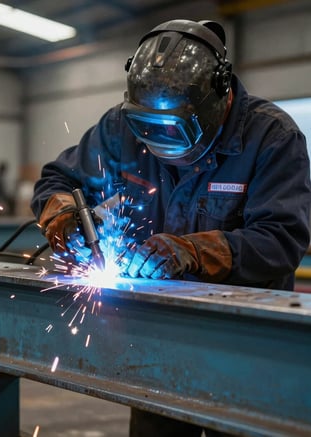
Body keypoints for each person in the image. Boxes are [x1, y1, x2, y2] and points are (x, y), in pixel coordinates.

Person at [31, 19, 311, 437]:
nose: (160, 141)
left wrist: (189, 252)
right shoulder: (120, 128)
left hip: (245, 347)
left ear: (217, 99)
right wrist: (68, 220)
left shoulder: (272, 137)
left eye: (175, 128)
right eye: (148, 129)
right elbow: (57, 182)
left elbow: (281, 240)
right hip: (159, 343)